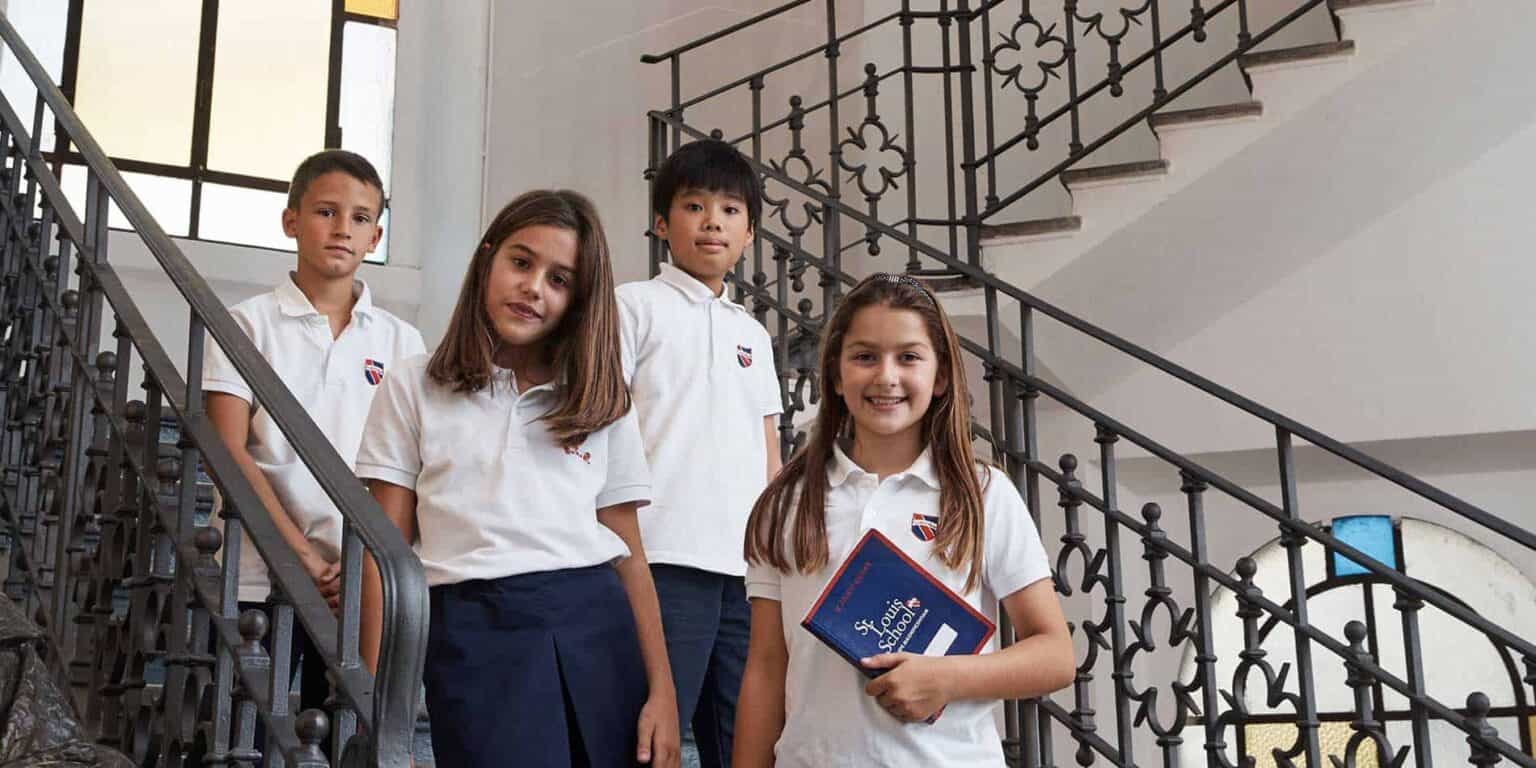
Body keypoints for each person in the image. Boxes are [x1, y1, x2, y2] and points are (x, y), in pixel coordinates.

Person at [355, 190, 680, 768]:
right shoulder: (412, 385)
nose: (534, 287)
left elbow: (629, 549)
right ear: (487, 260)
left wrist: (663, 693)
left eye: (560, 279)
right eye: (521, 262)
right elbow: (387, 558)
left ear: (579, 302)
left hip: (598, 628)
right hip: (474, 634)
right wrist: (384, 714)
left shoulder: (604, 400)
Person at [733, 273, 1075, 767]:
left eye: (909, 357)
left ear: (939, 378)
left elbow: (1056, 655)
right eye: (865, 356)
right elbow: (765, 668)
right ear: (834, 374)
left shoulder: (982, 495)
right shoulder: (787, 502)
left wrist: (945, 678)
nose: (886, 376)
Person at [203, 149, 424, 728]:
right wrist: (298, 557)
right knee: (241, 733)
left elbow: (413, 469)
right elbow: (227, 450)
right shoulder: (245, 325)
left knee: (343, 736)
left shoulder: (405, 344)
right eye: (327, 211)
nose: (342, 229)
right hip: (258, 573)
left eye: (359, 218)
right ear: (291, 220)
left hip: (362, 584)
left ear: (375, 236)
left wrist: (364, 569)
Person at [617, 137, 781, 767]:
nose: (713, 221)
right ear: (662, 224)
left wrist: (776, 555)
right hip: (660, 559)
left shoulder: (752, 333)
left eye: (731, 210)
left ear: (749, 232)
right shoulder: (633, 307)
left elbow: (767, 448)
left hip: (746, 571)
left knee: (748, 744)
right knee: (650, 742)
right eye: (694, 206)